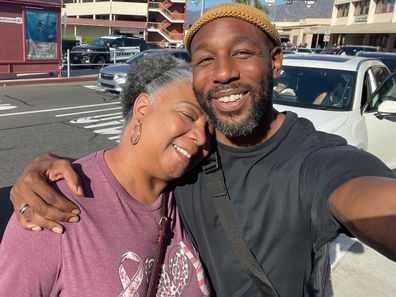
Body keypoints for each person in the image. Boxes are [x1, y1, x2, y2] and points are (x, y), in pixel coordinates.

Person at [8, 3, 396, 297]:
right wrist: (45, 170)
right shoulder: (176, 168)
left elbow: (365, 194)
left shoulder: (315, 159)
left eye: (242, 52)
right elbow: (123, 173)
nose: (223, 71)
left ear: (275, 61)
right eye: (205, 59)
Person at [0, 55, 212, 296]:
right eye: (188, 115)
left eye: (210, 129)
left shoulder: (191, 194)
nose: (202, 137)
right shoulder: (51, 206)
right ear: (142, 109)